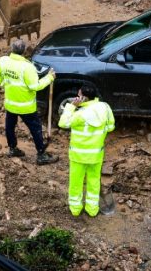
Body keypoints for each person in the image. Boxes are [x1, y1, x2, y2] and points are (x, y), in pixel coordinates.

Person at [0, 39, 59, 165]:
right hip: (26, 107)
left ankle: (12, 148)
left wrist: (3, 83)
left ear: (12, 49)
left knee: (10, 127)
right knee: (35, 129)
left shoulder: (4, 61)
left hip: (10, 104)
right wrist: (49, 78)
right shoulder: (27, 67)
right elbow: (35, 86)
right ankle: (41, 154)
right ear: (24, 51)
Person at [57, 84, 114, 217]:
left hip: (78, 155)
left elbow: (62, 123)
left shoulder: (80, 115)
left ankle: (76, 209)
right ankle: (92, 209)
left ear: (83, 97)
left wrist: (71, 107)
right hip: (96, 154)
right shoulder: (105, 108)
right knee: (94, 182)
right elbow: (110, 127)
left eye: (79, 95)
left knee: (76, 182)